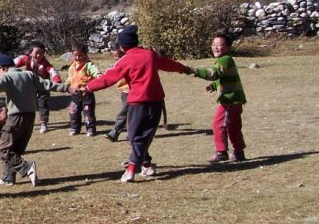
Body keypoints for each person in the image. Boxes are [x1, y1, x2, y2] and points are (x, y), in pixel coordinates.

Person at [82, 25, 193, 183]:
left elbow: (108, 78)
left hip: (138, 103)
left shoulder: (125, 60)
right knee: (142, 136)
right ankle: (146, 165)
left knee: (135, 137)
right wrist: (184, 69)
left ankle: (131, 169)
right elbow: (168, 63)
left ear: (122, 46)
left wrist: (88, 88)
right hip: (156, 102)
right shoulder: (150, 55)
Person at [0, 54, 70, 187]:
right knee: (14, 149)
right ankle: (8, 177)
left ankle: (27, 168)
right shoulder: (29, 74)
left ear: (3, 68)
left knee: (4, 150)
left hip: (15, 117)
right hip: (30, 117)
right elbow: (47, 84)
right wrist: (67, 88)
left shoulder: (6, 76)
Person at [193, 34, 247, 164]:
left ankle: (221, 152)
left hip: (229, 100)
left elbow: (214, 73)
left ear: (228, 47)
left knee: (218, 124)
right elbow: (222, 77)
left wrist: (194, 71)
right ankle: (239, 152)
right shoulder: (226, 60)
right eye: (213, 44)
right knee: (233, 126)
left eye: (219, 45)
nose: (215, 47)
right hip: (236, 100)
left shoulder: (225, 60)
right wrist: (213, 85)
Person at [14, 41, 62, 134]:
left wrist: (57, 80)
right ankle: (24, 121)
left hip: (43, 87)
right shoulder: (26, 59)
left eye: (41, 53)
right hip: (29, 86)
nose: (39, 55)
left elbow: (52, 71)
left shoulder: (45, 63)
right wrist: (6, 68)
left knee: (43, 104)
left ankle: (44, 123)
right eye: (36, 53)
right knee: (26, 104)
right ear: (30, 52)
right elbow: (14, 63)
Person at [67, 43, 102, 136]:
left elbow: (94, 71)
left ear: (85, 54)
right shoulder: (72, 66)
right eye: (75, 55)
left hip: (86, 93)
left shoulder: (88, 65)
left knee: (88, 112)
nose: (78, 58)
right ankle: (75, 128)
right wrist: (66, 84)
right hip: (75, 93)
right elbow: (71, 77)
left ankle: (90, 129)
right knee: (74, 111)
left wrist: (98, 75)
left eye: (80, 55)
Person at [104, 42, 131, 142]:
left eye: (118, 56)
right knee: (129, 113)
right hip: (123, 90)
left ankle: (114, 133)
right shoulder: (118, 62)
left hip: (129, 90)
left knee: (123, 112)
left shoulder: (127, 61)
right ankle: (131, 133)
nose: (117, 59)